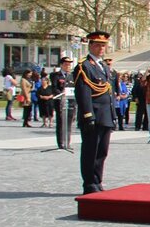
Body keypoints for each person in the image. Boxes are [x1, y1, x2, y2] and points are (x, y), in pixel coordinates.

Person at [74, 31, 118, 194]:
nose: (101, 48)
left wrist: (113, 115)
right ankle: (89, 183)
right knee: (90, 151)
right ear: (90, 45)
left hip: (105, 115)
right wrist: (88, 115)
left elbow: (109, 92)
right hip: (93, 115)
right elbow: (84, 93)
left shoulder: (104, 66)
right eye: (98, 45)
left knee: (102, 151)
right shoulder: (84, 66)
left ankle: (97, 180)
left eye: (103, 45)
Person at [50, 56, 76, 150]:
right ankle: (60, 143)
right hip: (61, 102)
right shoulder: (55, 75)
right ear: (61, 65)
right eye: (66, 64)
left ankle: (67, 143)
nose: (68, 66)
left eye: (69, 64)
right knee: (61, 123)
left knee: (69, 122)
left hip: (71, 102)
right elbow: (54, 87)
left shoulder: (73, 75)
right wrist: (61, 93)